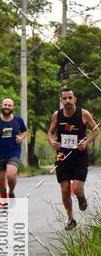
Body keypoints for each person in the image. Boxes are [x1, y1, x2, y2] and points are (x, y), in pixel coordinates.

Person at [47, 87, 99, 229]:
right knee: (64, 189)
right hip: (62, 157)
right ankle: (71, 219)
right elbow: (50, 133)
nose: (68, 101)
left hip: (80, 158)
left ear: (74, 99)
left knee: (76, 189)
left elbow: (96, 130)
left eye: (70, 98)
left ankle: (81, 197)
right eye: (65, 98)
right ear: (61, 100)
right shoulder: (57, 116)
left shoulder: (83, 114)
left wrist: (86, 142)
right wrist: (52, 142)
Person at [0, 98, 28, 199]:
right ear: (1, 106)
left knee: (10, 175)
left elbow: (25, 131)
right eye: (5, 105)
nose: (7, 107)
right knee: (0, 181)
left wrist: (21, 138)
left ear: (13, 107)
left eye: (9, 105)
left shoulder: (18, 120)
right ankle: (4, 201)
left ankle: (11, 191)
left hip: (13, 153)